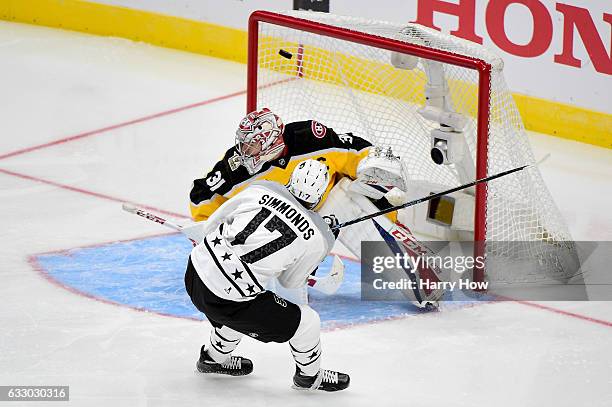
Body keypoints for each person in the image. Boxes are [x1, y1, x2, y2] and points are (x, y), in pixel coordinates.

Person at [189, 107, 446, 308]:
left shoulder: (309, 137)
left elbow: (354, 150)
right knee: (281, 289)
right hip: (281, 226)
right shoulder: (235, 168)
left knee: (353, 198)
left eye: (252, 144)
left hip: (328, 208)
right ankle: (286, 284)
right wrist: (208, 229)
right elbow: (201, 198)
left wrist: (374, 171)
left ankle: (418, 275)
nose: (245, 151)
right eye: (244, 143)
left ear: (270, 141)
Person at [184, 159, 350, 392]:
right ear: (320, 195)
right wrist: (324, 238)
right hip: (227, 301)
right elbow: (289, 281)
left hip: (194, 273)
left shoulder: (260, 188)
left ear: (291, 180)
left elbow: (211, 224)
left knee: (246, 304)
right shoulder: (317, 237)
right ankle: (309, 377)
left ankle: (213, 359)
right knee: (307, 322)